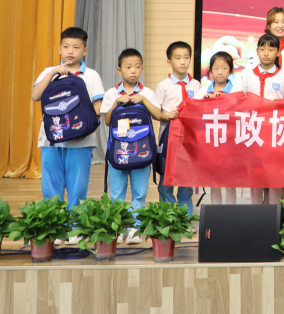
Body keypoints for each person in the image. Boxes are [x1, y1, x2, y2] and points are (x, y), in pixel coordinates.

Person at [100, 48, 174, 243]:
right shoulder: (111, 93)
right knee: (116, 193)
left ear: (142, 69)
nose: (133, 70)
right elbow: (107, 121)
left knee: (140, 193)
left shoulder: (147, 92)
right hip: (118, 152)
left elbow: (158, 115)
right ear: (119, 70)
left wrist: (143, 100)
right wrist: (117, 103)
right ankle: (118, 227)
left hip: (142, 152)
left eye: (137, 67)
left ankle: (135, 228)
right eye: (128, 67)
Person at [31, 27, 106, 210]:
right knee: (51, 183)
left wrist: (86, 131)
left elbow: (98, 106)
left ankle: (75, 221)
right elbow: (35, 95)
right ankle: (54, 220)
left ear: (84, 50)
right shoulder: (48, 71)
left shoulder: (91, 75)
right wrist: (52, 74)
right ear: (59, 49)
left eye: (76, 47)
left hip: (81, 140)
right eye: (66, 47)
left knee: (78, 184)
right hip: (51, 138)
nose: (70, 51)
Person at [242, 34, 284, 206]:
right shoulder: (247, 76)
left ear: (278, 52)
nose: (266, 53)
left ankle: (275, 214)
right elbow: (238, 101)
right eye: (262, 49)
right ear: (257, 51)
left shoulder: (283, 77)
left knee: (275, 174)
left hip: (275, 134)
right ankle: (257, 214)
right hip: (253, 133)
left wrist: (283, 103)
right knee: (255, 175)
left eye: (271, 49)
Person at [154, 40, 199, 215]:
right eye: (178, 58)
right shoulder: (163, 86)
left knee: (186, 176)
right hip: (168, 136)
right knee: (166, 175)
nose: (183, 62)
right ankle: (168, 215)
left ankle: (184, 216)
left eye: (186, 58)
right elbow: (156, 112)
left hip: (189, 137)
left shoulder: (196, 85)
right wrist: (167, 115)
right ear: (169, 61)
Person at [196, 52, 243, 205]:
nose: (220, 72)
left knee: (230, 182)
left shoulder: (237, 90)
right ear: (210, 70)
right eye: (216, 68)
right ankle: (216, 214)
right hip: (210, 144)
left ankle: (230, 214)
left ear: (231, 70)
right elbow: (193, 110)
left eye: (224, 68)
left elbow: (242, 112)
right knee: (214, 182)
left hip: (231, 143)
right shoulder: (203, 91)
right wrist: (203, 101)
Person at [240, 7, 284, 96]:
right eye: (276, 22)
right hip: (264, 96)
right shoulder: (261, 49)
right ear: (269, 26)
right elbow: (255, 75)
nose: (280, 26)